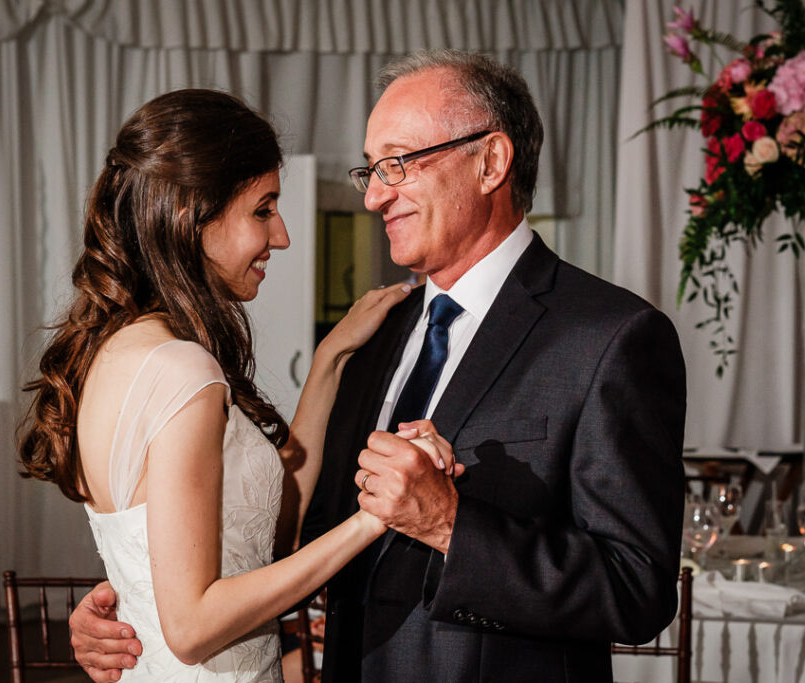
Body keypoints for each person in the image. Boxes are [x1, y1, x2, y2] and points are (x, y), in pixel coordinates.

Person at [72, 51, 687, 682]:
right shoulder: (371, 336)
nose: (372, 195)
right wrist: (138, 596)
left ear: (491, 162)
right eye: (371, 169)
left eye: (397, 163)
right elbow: (288, 536)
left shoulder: (609, 337)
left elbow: (636, 590)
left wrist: (450, 525)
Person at [17, 88, 455, 681]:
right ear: (192, 216)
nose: (282, 236)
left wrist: (328, 359)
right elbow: (193, 628)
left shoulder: (115, 350)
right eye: (262, 209)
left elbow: (263, 537)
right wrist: (374, 518)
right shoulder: (181, 370)